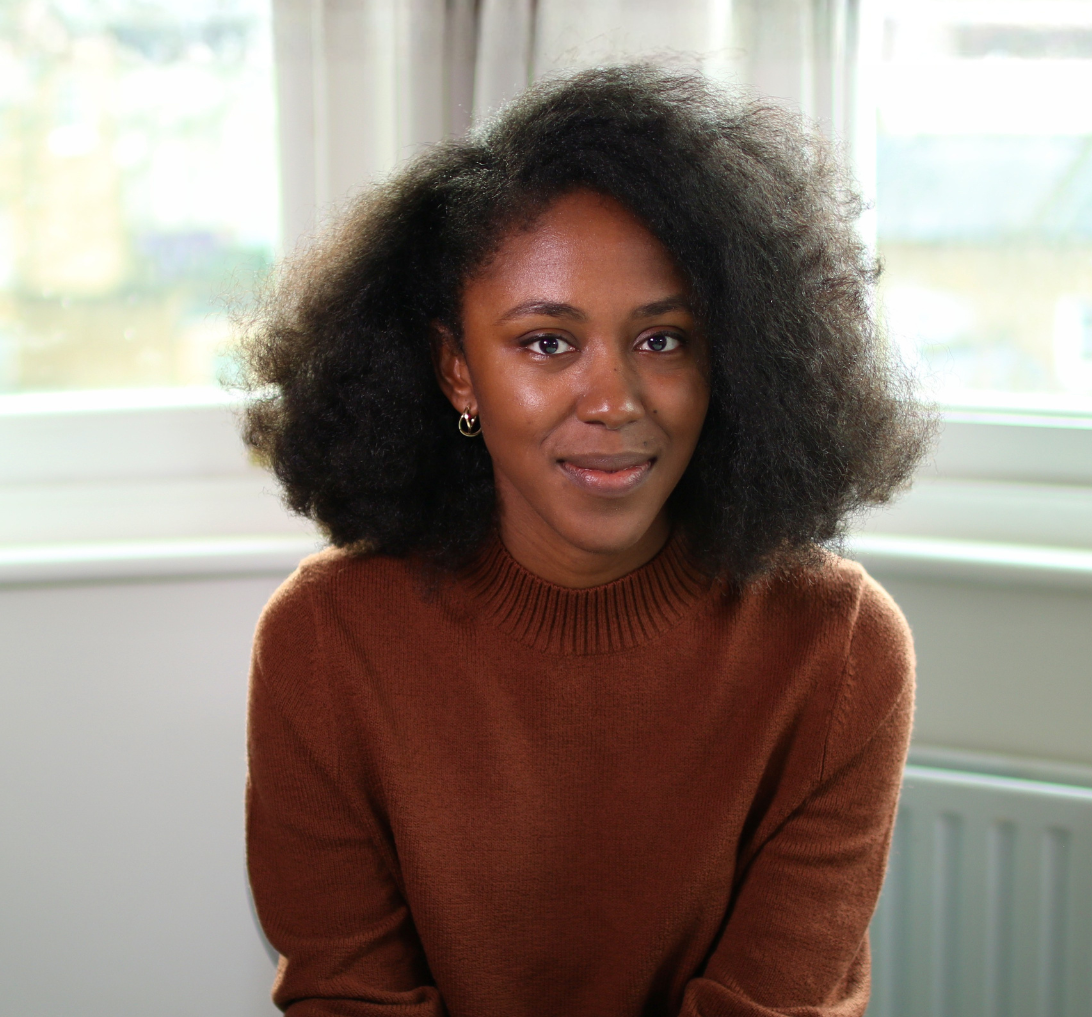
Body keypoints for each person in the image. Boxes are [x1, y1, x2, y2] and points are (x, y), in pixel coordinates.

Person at [239, 63, 932, 1017]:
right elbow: (350, 998)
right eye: (547, 343)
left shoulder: (839, 646)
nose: (614, 402)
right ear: (457, 371)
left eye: (663, 340)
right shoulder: (326, 641)